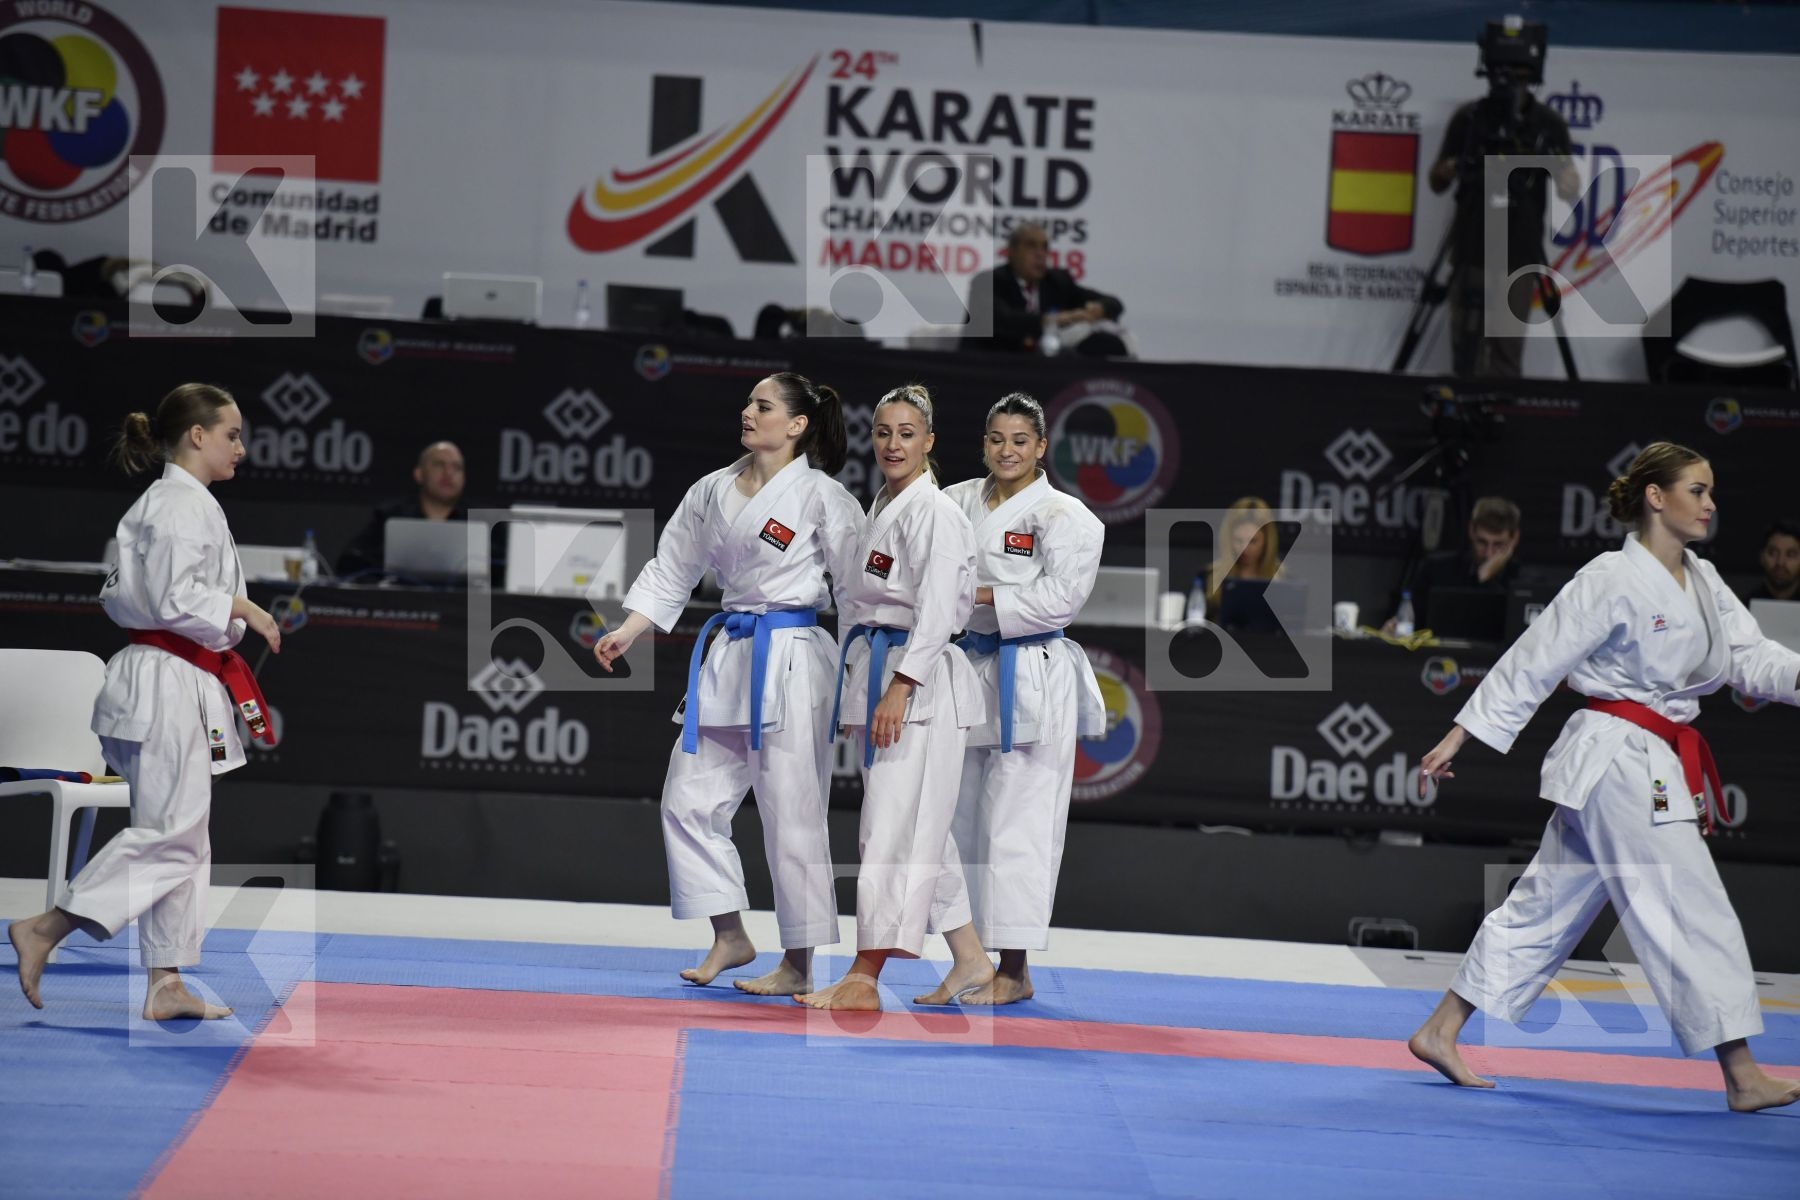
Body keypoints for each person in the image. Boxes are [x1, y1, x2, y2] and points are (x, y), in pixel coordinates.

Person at [1408, 442, 1800, 1113]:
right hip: (1622, 759)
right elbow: (1536, 656)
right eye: (1697, 491)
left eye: (1711, 493)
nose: (1710, 504)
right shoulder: (1610, 577)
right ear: (1656, 497)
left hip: (1625, 763)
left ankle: (1440, 1030)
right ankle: (1741, 1076)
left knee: (1545, 908)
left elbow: (1753, 659)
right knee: (1691, 907)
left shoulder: (1702, 581)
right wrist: (1461, 733)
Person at [9, 384, 284, 1019]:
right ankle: (47, 927)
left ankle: (167, 983)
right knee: (173, 836)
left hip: (170, 678)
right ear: (197, 435)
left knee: (185, 835)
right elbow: (170, 600)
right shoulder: (176, 507)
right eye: (232, 434)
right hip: (164, 681)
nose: (240, 447)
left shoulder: (178, 504)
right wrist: (241, 607)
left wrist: (231, 615)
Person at [593, 373, 862, 995]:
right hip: (732, 654)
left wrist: (856, 686)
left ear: (796, 425)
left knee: (792, 815)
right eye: (747, 402)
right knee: (686, 802)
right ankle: (730, 932)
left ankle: (799, 962)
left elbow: (855, 597)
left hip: (794, 657)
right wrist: (631, 628)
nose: (747, 412)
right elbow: (671, 569)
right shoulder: (711, 490)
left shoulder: (824, 497)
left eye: (763, 406)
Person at [795, 384, 982, 1010]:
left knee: (891, 830)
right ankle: (973, 959)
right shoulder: (883, 506)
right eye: (882, 432)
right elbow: (858, 603)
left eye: (907, 433)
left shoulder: (937, 514)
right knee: (921, 828)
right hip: (884, 668)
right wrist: (861, 689)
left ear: (929, 441)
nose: (893, 444)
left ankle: (864, 976)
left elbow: (937, 613)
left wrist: (900, 686)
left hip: (920, 681)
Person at [917, 393, 1106, 1006]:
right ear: (983, 444)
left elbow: (1061, 599)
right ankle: (968, 957)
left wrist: (982, 594)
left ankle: (1016, 967)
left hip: (1031, 673)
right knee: (957, 817)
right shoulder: (955, 501)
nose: (1007, 451)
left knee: (1018, 823)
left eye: (1020, 440)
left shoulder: (1068, 517)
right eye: (997, 439)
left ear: (1041, 447)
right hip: (966, 665)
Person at [1427, 36, 1579, 379]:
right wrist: (1458, 164)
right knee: (1464, 354)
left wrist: (1555, 168)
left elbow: (1570, 187)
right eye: (1502, 73)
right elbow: (1437, 181)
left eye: (1518, 74)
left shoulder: (1547, 125)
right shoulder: (1469, 118)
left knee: (1506, 357)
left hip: (1518, 254)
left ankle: (1502, 421)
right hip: (1471, 246)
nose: (1510, 82)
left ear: (1532, 76)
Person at [963, 222, 1125, 356]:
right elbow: (1002, 320)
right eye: (1031, 246)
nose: (1040, 254)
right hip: (990, 368)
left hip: (1039, 371)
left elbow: (1113, 303)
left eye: (1044, 247)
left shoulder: (1057, 282)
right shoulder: (988, 281)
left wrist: (1100, 308)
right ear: (1011, 252)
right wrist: (1053, 320)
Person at [1385, 496, 1523, 631]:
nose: (1489, 553)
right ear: (1471, 531)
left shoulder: (1523, 580)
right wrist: (1394, 628)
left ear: (1514, 539)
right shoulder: (1436, 570)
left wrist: (1487, 579)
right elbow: (1409, 621)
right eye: (1482, 542)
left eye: (1498, 545)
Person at [335, 440, 467, 577]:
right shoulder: (391, 516)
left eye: (457, 467)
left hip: (464, 598)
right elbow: (350, 561)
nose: (449, 473)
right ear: (419, 474)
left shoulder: (479, 519)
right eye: (439, 464)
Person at [1206, 496, 1282, 614]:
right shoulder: (1208, 580)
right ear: (1228, 540)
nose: (1244, 549)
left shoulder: (1283, 583)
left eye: (1253, 541)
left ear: (1267, 542)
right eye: (1238, 541)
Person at [1742, 518, 1800, 603]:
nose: (1780, 562)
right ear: (1762, 557)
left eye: (1790, 555)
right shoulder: (1744, 609)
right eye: (1773, 553)